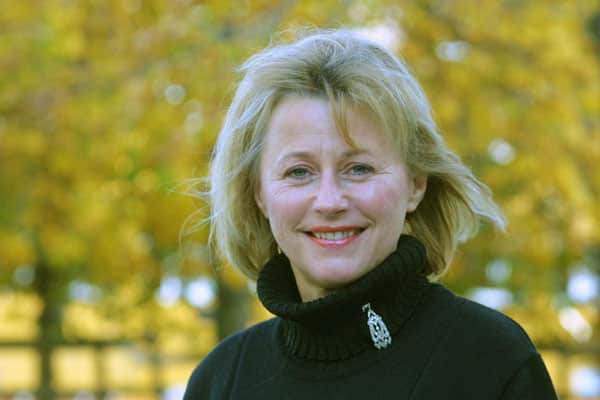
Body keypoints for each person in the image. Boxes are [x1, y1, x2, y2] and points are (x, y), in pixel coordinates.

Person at [183, 29, 558, 399]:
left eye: (358, 168)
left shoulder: (490, 362)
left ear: (416, 184)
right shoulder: (221, 381)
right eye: (299, 172)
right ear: (259, 194)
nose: (329, 201)